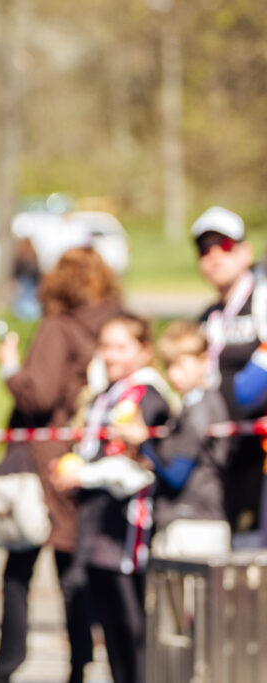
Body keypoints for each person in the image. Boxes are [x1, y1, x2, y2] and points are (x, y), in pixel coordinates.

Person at [0, 247, 120, 683]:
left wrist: (9, 367)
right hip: (83, 456)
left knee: (19, 569)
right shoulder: (112, 326)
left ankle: (6, 665)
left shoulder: (58, 327)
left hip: (43, 463)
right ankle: (79, 664)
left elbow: (37, 396)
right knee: (71, 567)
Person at [53, 313, 172, 683]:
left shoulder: (145, 394)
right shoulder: (107, 392)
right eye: (105, 346)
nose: (110, 355)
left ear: (144, 350)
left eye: (121, 347)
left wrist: (83, 474)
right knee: (108, 621)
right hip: (96, 518)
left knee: (129, 621)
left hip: (127, 521)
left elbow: (135, 466)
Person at [113, 320, 230, 558]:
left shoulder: (200, 409)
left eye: (181, 364)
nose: (174, 374)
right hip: (184, 522)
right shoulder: (189, 406)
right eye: (169, 366)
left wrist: (143, 442)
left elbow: (176, 476)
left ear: (204, 361)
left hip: (195, 525)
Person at [192, 206, 267, 544]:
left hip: (258, 456)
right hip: (221, 457)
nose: (214, 256)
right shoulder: (208, 317)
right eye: (204, 249)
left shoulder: (261, 302)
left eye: (223, 245)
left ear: (245, 252)